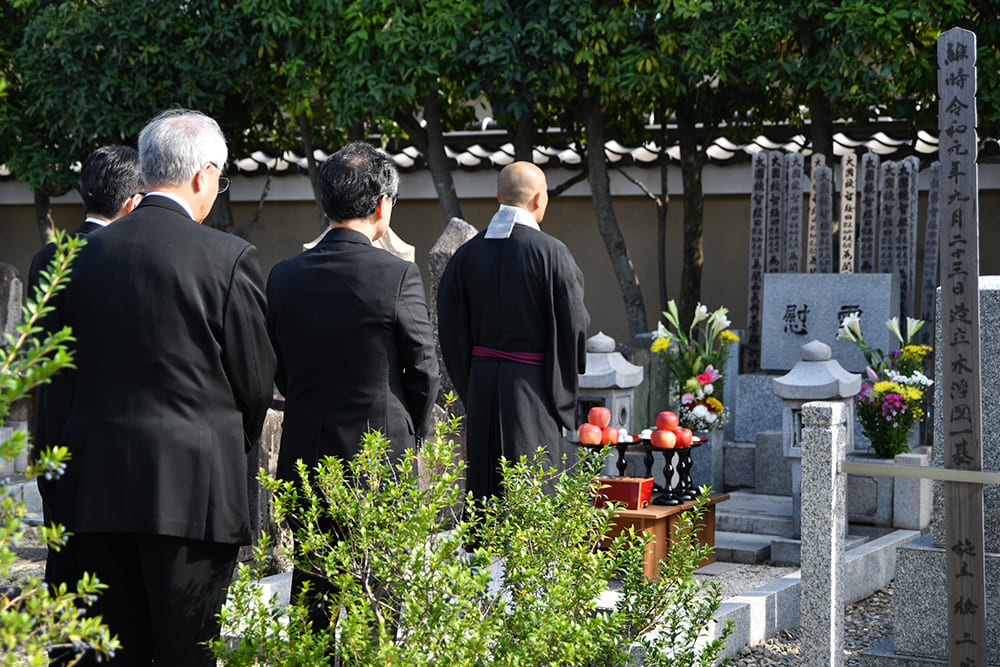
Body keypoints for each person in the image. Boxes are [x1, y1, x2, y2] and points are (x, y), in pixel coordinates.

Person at [37, 109, 276, 666]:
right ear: (203, 175)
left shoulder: (72, 260)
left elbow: (57, 380)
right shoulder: (227, 258)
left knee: (108, 650)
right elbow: (255, 383)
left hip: (93, 484)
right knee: (185, 650)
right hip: (193, 490)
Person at [265, 140, 439, 628]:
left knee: (312, 585)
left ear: (326, 204)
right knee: (376, 597)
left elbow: (276, 362)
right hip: (377, 453)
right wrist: (416, 431)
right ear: (383, 205)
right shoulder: (397, 275)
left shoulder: (284, 276)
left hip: (306, 448)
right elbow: (423, 367)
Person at [437, 161, 590, 502]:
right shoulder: (551, 253)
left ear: (498, 197)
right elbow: (575, 326)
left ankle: (481, 555)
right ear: (539, 199)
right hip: (534, 387)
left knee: (485, 485)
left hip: (482, 382)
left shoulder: (465, 256)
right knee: (534, 482)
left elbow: (448, 329)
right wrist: (561, 385)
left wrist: (472, 380)